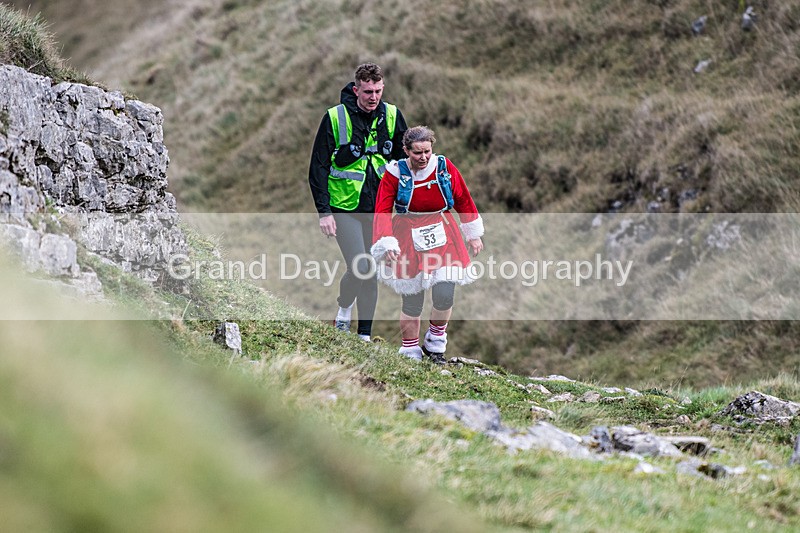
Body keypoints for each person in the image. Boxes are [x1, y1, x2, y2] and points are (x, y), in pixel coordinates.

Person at [308, 63, 408, 342]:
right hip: (344, 208)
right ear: (356, 89)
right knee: (361, 266)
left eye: (377, 91)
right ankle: (343, 309)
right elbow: (318, 167)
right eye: (367, 92)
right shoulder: (335, 117)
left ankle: (363, 336)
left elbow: (406, 162)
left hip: (378, 209)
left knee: (371, 271)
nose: (373, 97)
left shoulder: (392, 115)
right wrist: (324, 212)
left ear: (383, 88)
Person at [370, 126, 484, 363]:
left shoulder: (443, 167)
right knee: (412, 297)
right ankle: (410, 351)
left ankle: (435, 344)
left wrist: (473, 233)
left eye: (427, 152)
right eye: (417, 153)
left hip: (443, 230)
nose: (423, 158)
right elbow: (382, 210)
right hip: (407, 234)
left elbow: (462, 197)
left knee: (445, 294)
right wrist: (386, 242)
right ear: (406, 150)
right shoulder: (394, 174)